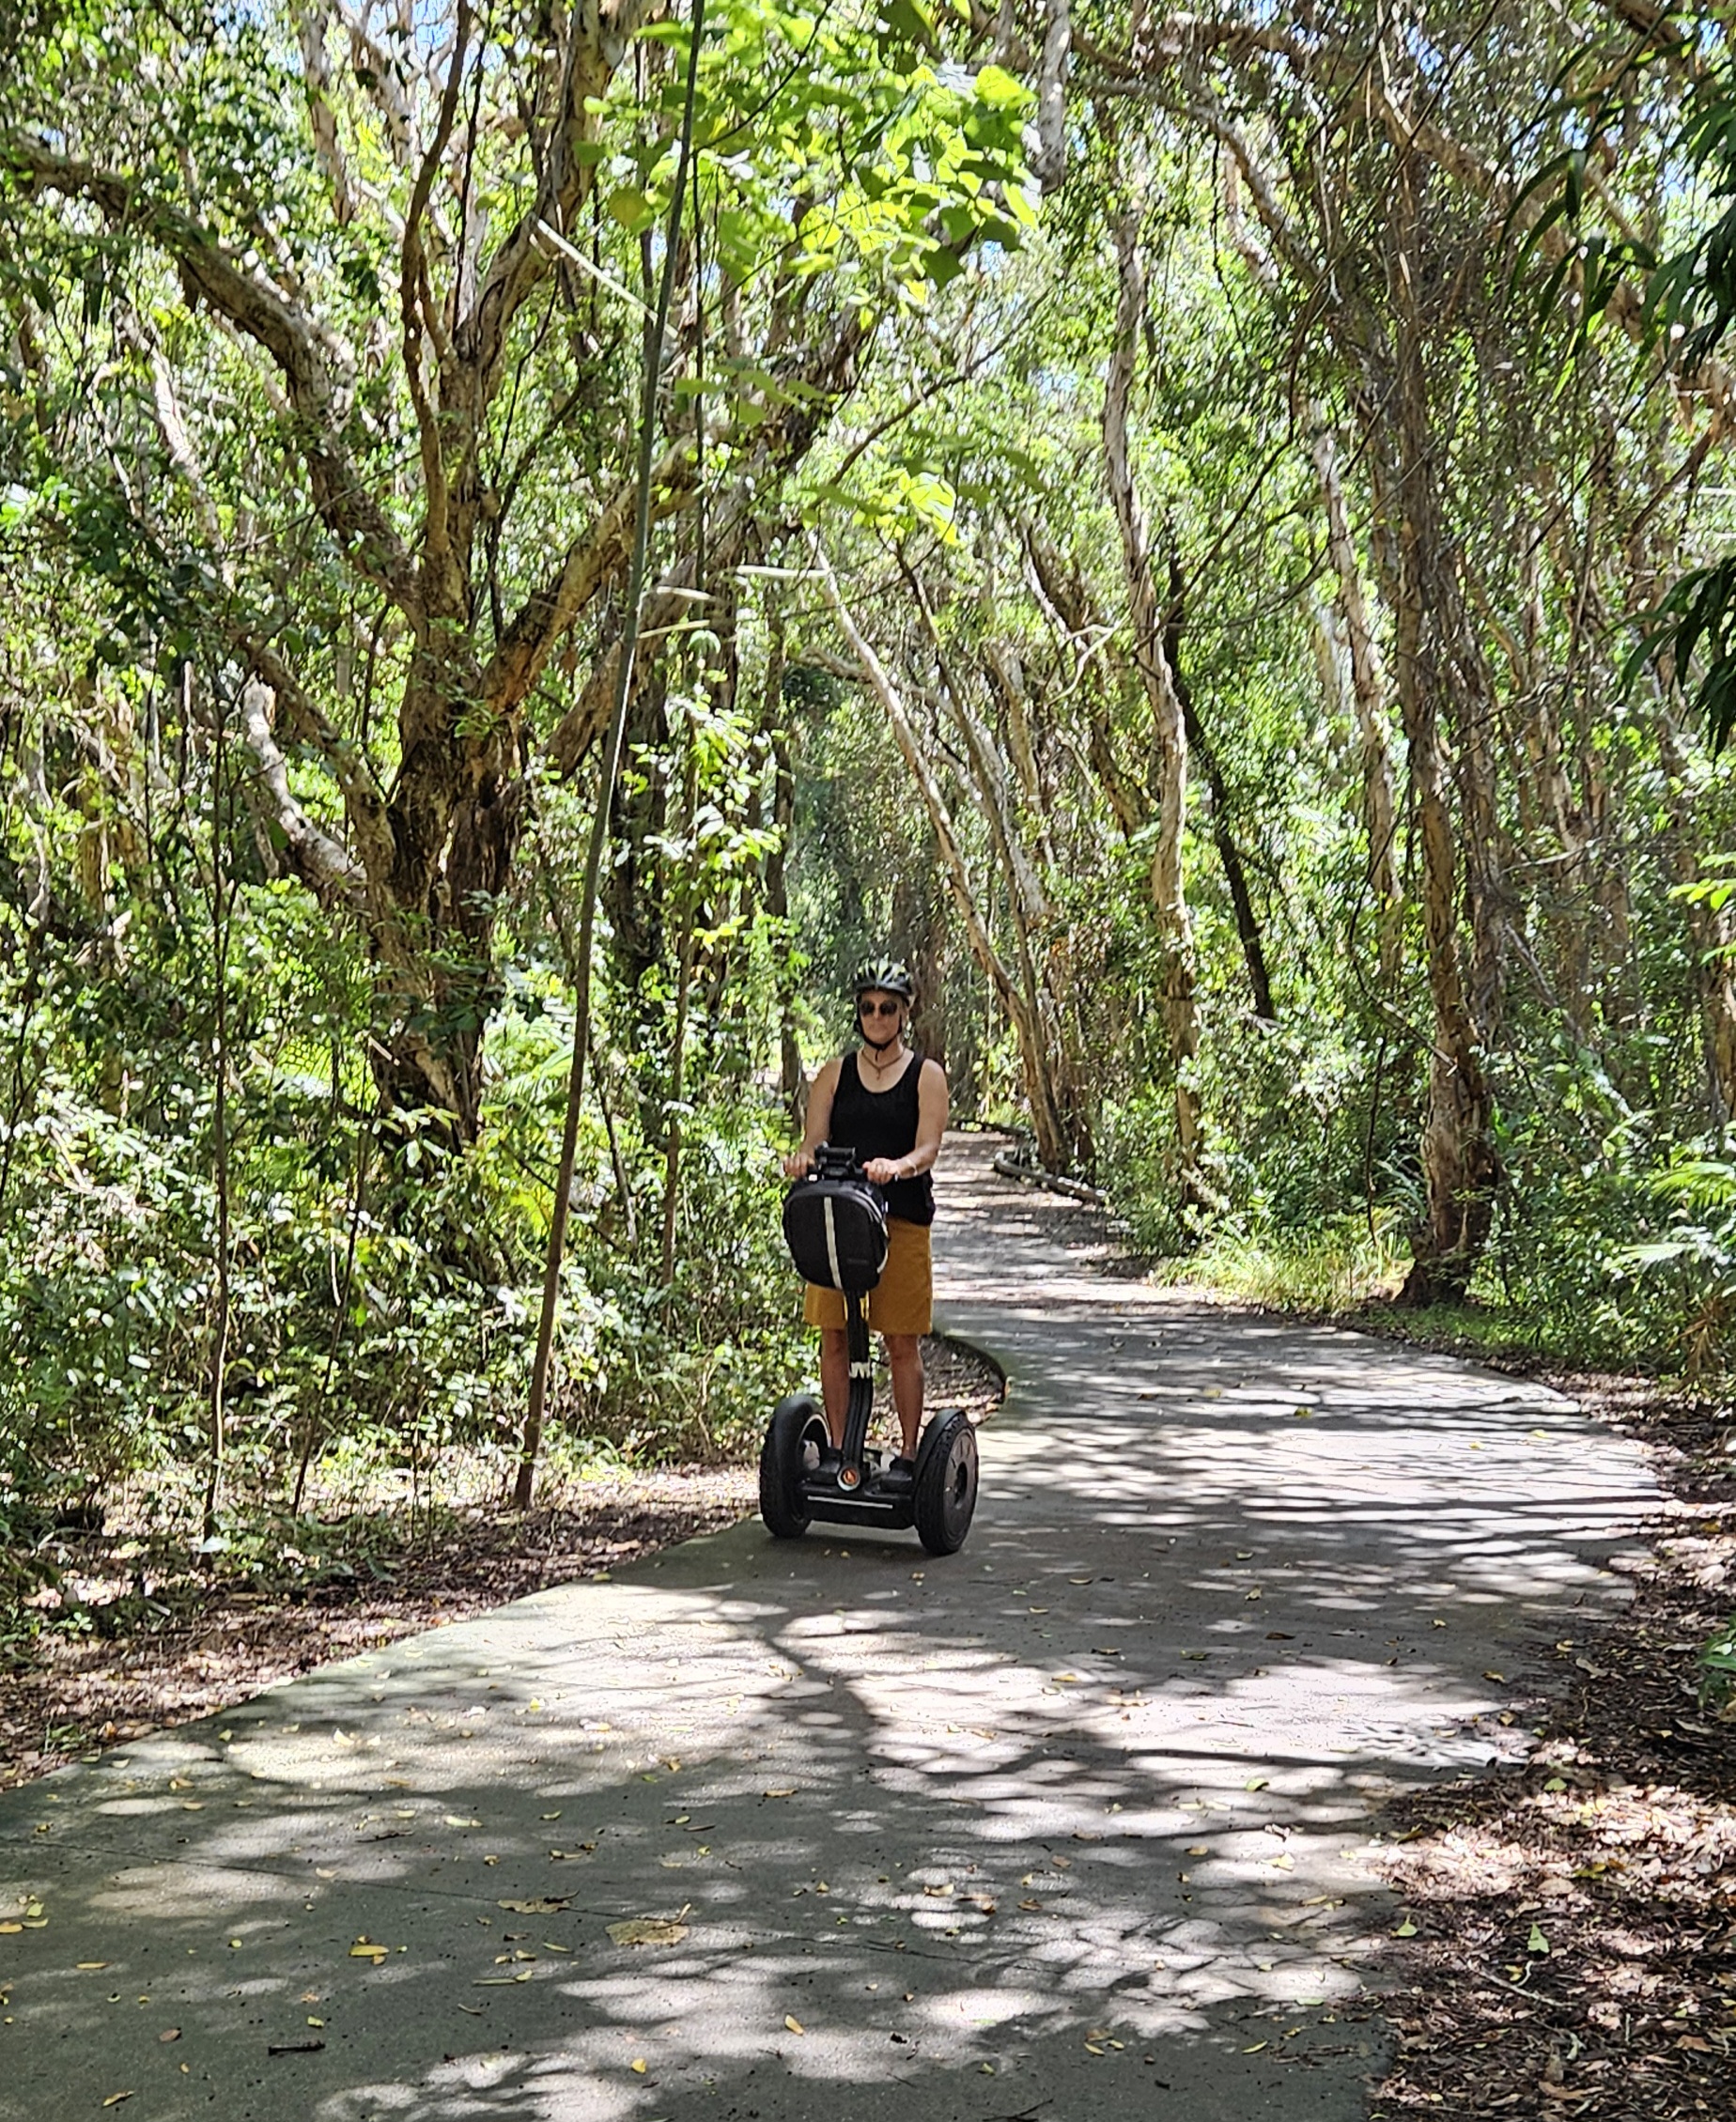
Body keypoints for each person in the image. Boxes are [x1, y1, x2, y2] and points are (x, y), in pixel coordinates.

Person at [783, 956, 949, 1483]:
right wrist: (802, 1160)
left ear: (904, 1014)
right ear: (859, 1014)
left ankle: (907, 1452)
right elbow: (814, 1139)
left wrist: (898, 1166)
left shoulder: (926, 1076)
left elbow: (929, 1147)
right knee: (834, 1335)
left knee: (900, 1340)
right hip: (841, 1220)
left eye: (888, 1008)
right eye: (869, 1008)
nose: (878, 1016)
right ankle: (836, 1448)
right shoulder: (836, 1073)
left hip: (900, 1220)